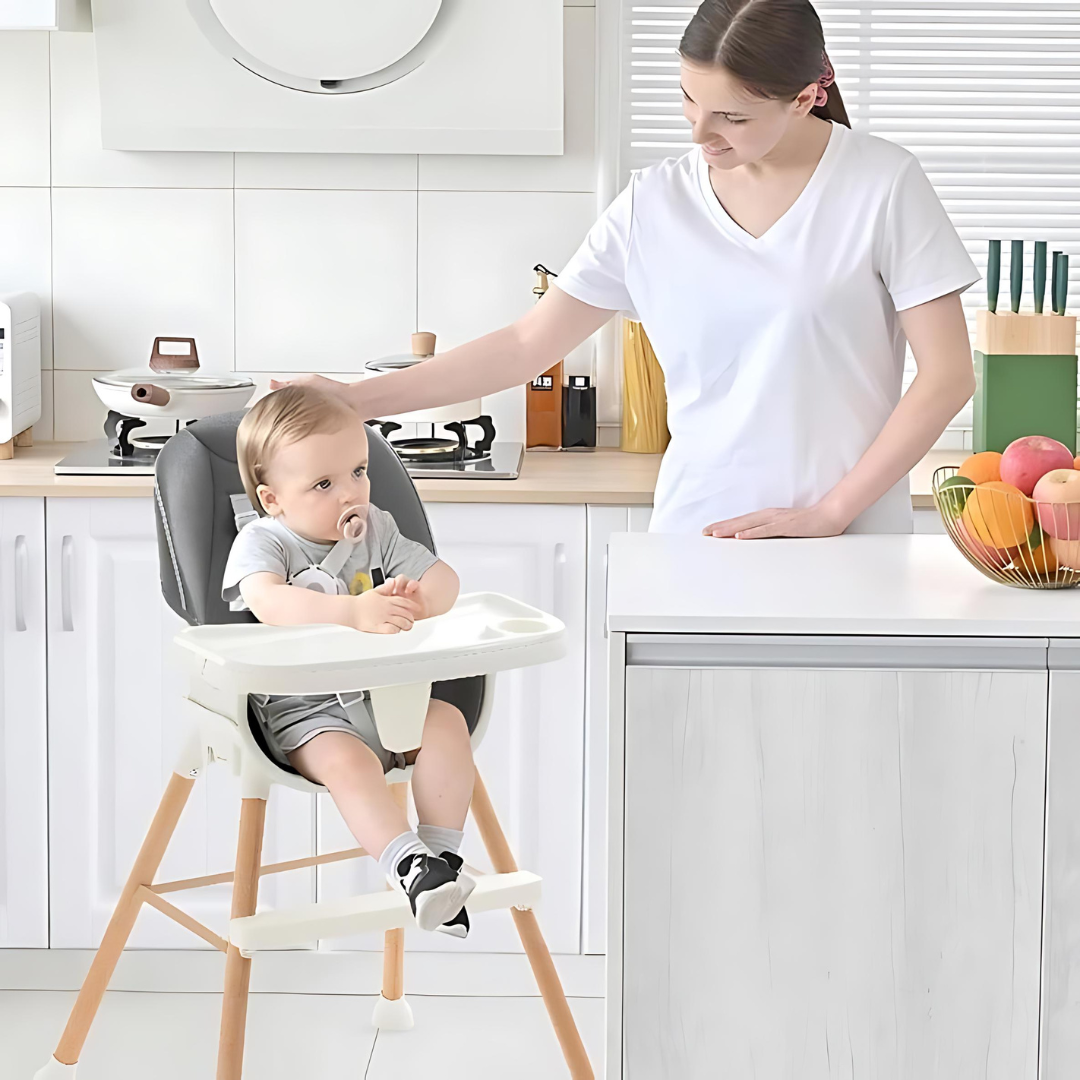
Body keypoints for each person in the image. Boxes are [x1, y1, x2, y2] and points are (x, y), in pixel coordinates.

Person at [278, 0, 978, 539]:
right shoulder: (655, 203)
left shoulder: (882, 184)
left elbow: (947, 377)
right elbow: (526, 346)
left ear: (806, 96)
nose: (699, 134)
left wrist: (832, 512)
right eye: (687, 100)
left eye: (731, 117)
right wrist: (355, 398)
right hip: (699, 532)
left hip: (849, 539)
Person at [223, 385, 476, 937]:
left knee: (447, 725)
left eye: (358, 471)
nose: (350, 494)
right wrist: (350, 612)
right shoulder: (265, 541)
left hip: (387, 698)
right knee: (350, 765)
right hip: (305, 714)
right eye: (324, 483)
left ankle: (439, 866)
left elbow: (444, 578)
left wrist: (421, 599)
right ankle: (407, 864)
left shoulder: (378, 530)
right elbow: (269, 602)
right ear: (274, 499)